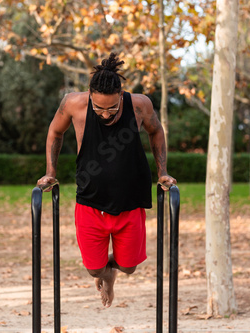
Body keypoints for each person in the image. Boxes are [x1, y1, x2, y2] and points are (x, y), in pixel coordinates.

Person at [37, 53, 176, 308]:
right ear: (90, 95)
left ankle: (113, 272)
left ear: (121, 94)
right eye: (98, 108)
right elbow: (55, 131)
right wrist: (51, 172)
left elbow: (156, 130)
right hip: (90, 201)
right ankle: (104, 273)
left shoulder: (139, 104)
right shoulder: (73, 104)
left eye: (112, 108)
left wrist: (162, 172)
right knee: (94, 270)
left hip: (131, 200)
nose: (104, 114)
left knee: (128, 267)